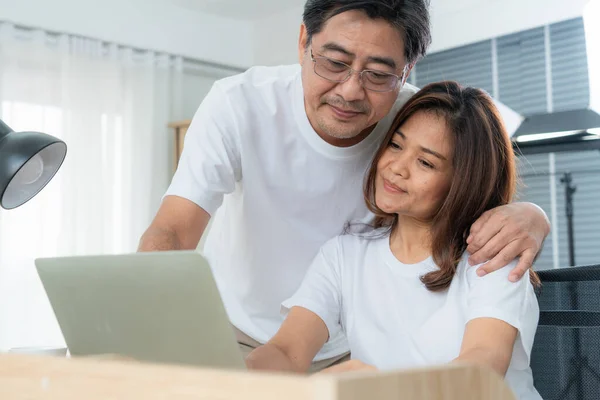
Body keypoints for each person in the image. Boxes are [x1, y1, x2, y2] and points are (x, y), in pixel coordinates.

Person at [138, 0, 550, 370]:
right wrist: (138, 325)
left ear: (405, 71)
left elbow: (483, 167)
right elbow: (173, 229)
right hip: (244, 330)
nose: (351, 91)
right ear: (304, 42)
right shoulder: (240, 104)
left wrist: (532, 214)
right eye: (334, 62)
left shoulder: (419, 114)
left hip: (356, 349)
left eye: (377, 73)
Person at [245, 81, 543, 400]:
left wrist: (382, 390)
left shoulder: (493, 256)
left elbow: (481, 369)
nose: (396, 168)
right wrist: (236, 379)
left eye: (425, 162)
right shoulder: (344, 255)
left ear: (463, 181)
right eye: (396, 146)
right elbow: (288, 348)